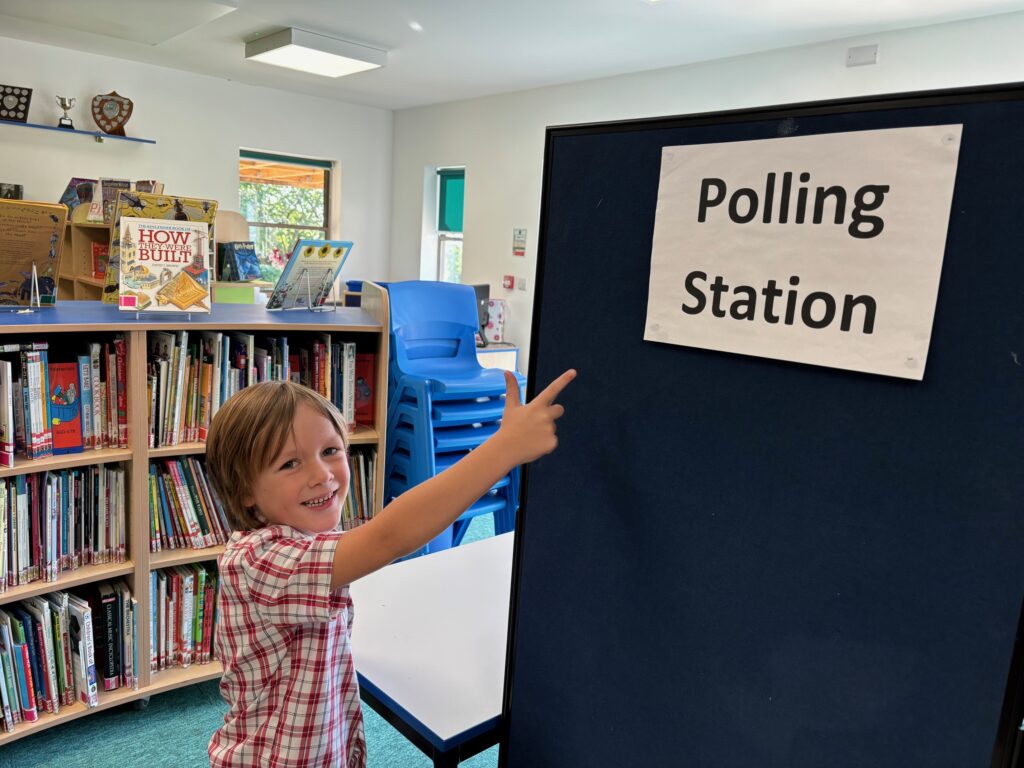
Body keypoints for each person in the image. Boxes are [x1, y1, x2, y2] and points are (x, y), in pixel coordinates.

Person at [205, 368, 576, 768]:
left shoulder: (300, 540)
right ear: (244, 490)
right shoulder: (261, 561)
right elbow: (389, 537)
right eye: (290, 463)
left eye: (330, 451)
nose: (322, 475)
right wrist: (504, 449)